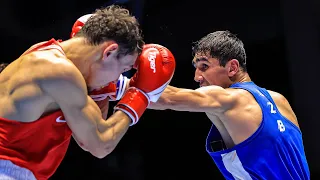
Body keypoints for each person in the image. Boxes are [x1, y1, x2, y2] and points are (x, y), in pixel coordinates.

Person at [0, 5, 175, 180]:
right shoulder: (59, 72)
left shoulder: (44, 53)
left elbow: (87, 136)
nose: (116, 79)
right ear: (109, 52)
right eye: (124, 68)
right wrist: (140, 96)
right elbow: (100, 144)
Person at [147, 31, 310, 179]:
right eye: (196, 68)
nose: (197, 77)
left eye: (204, 66)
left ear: (232, 68)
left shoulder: (229, 99)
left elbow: (167, 98)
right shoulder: (279, 100)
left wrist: (124, 82)